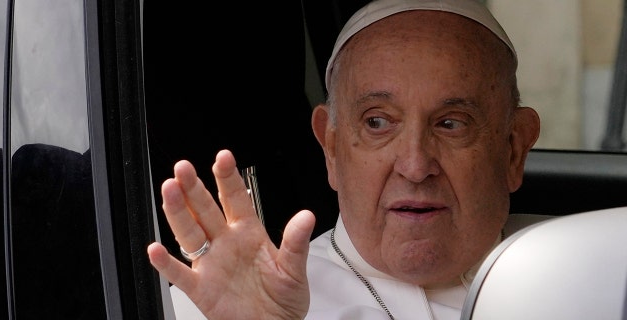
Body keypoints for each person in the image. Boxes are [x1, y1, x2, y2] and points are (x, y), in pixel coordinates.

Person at [146, 0, 541, 318]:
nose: (416, 165)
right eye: (378, 122)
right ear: (330, 147)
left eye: (451, 123)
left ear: (513, 149)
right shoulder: (223, 305)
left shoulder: (587, 273)